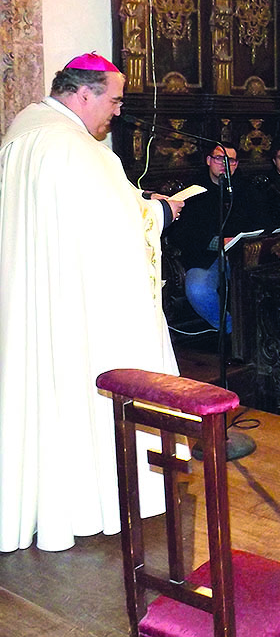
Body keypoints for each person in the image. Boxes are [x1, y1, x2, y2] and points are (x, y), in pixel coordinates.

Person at [0, 53, 184, 552]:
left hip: (41, 300)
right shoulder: (74, 147)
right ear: (84, 94)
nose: (119, 111)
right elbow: (115, 228)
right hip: (82, 310)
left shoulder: (22, 135)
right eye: (115, 99)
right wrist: (161, 214)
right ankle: (95, 494)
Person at [169, 143, 256, 351]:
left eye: (231, 161)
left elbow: (261, 223)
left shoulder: (248, 190)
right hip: (206, 257)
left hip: (244, 254)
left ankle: (257, 333)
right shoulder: (193, 192)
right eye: (219, 159)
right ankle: (231, 329)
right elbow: (181, 234)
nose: (225, 165)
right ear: (208, 160)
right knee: (198, 289)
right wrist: (218, 242)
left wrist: (239, 241)